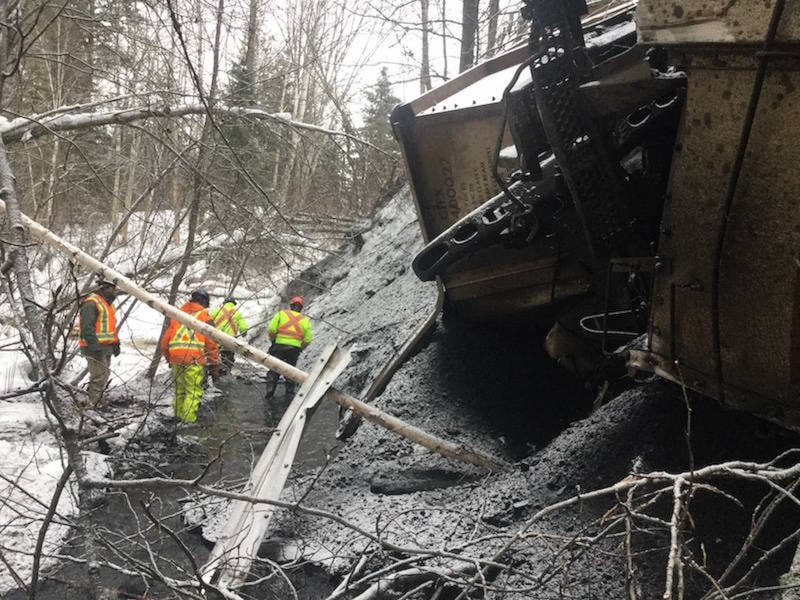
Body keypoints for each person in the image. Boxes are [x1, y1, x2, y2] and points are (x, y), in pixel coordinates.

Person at [160, 288, 220, 423]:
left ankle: (177, 418)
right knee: (193, 392)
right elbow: (211, 344)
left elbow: (165, 342)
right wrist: (214, 363)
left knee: (180, 391)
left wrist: (169, 359)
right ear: (204, 302)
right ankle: (187, 423)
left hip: (176, 358)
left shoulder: (177, 316)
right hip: (194, 359)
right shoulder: (205, 316)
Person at [78, 278, 121, 409]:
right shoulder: (92, 303)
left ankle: (97, 402)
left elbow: (110, 327)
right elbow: (87, 328)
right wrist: (95, 347)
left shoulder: (108, 304)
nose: (115, 291)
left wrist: (116, 343)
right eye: (113, 288)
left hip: (106, 347)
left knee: (104, 375)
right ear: (104, 288)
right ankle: (91, 406)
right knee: (98, 377)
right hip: (95, 347)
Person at [264, 296, 313, 398]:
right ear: (301, 308)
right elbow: (308, 339)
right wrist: (300, 347)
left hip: (278, 347)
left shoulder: (281, 314)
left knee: (274, 368)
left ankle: (270, 390)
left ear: (291, 305)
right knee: (291, 370)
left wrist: (273, 341)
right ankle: (289, 393)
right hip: (294, 349)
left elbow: (272, 329)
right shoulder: (305, 320)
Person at [210, 297, 249, 377]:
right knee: (228, 358)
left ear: (224, 303)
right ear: (233, 304)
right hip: (230, 340)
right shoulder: (237, 313)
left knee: (213, 356)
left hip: (216, 338)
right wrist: (243, 333)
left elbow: (208, 322)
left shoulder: (217, 311)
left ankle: (213, 373)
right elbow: (244, 328)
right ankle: (225, 373)